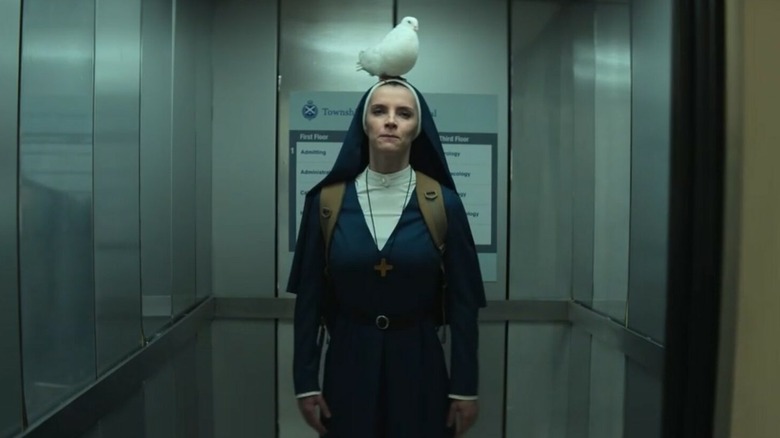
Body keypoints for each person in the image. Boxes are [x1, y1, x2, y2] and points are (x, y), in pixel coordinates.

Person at [287, 78, 487, 438]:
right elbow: (309, 300)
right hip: (348, 360)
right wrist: (305, 381)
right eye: (379, 111)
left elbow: (463, 303)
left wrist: (464, 387)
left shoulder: (444, 204)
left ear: (417, 127)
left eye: (404, 113)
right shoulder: (326, 203)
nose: (391, 121)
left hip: (420, 361)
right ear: (364, 123)